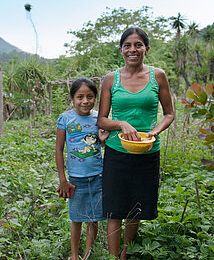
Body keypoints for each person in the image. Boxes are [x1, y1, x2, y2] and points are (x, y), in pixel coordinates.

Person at [97, 27, 175, 259]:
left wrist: (153, 133)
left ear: (146, 49)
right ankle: (113, 257)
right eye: (128, 45)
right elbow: (101, 119)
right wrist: (121, 124)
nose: (133, 49)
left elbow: (169, 113)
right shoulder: (111, 79)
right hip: (116, 151)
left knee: (135, 207)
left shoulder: (158, 76)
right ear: (121, 50)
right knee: (114, 209)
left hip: (147, 152)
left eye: (138, 45)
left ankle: (125, 254)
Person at [56, 77, 110, 260]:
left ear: (96, 98)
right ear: (72, 98)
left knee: (93, 218)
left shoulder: (99, 118)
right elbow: (59, 149)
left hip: (98, 176)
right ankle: (74, 255)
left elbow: (98, 144)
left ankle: (87, 254)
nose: (85, 101)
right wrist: (63, 180)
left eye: (90, 96)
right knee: (77, 218)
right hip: (75, 179)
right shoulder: (65, 118)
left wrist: (102, 141)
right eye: (80, 97)